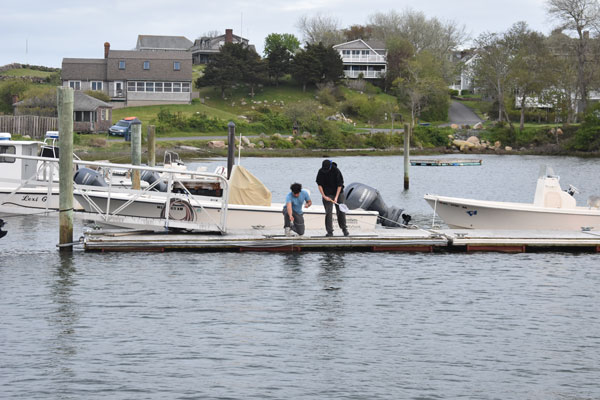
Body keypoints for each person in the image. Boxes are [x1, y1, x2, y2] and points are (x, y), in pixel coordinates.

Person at [316, 159, 349, 237]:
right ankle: (330, 231)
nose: (325, 170)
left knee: (341, 211)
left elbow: (340, 185)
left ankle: (344, 229)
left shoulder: (336, 171)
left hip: (338, 192)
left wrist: (336, 197)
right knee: (328, 212)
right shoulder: (321, 171)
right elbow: (319, 185)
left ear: (330, 166)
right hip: (327, 193)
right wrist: (324, 196)